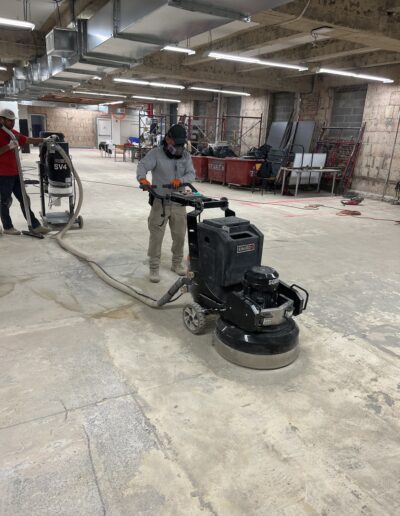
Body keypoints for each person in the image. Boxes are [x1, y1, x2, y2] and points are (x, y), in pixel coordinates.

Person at [137, 124, 195, 283]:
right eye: (175, 144)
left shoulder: (185, 156)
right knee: (156, 236)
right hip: (160, 202)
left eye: (181, 145)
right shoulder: (155, 153)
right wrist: (142, 178)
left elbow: (191, 174)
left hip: (179, 202)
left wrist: (181, 180)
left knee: (179, 236)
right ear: (168, 139)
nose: (178, 147)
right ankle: (154, 268)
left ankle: (176, 264)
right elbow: (142, 165)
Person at [0, 108, 50, 235]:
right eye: (9, 121)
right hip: (3, 175)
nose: (11, 123)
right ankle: (8, 227)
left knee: (24, 198)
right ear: (1, 119)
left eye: (12, 121)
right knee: (4, 201)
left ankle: (34, 225)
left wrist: (44, 140)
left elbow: (27, 139)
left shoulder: (12, 133)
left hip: (15, 173)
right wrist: (8, 147)